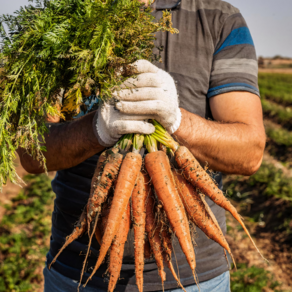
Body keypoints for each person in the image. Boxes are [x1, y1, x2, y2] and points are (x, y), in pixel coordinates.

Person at [18, 0, 266, 291]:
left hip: (196, 278)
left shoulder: (220, 19)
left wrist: (175, 120)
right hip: (77, 273)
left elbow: (250, 154)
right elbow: (31, 154)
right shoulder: (64, 18)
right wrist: (96, 130)